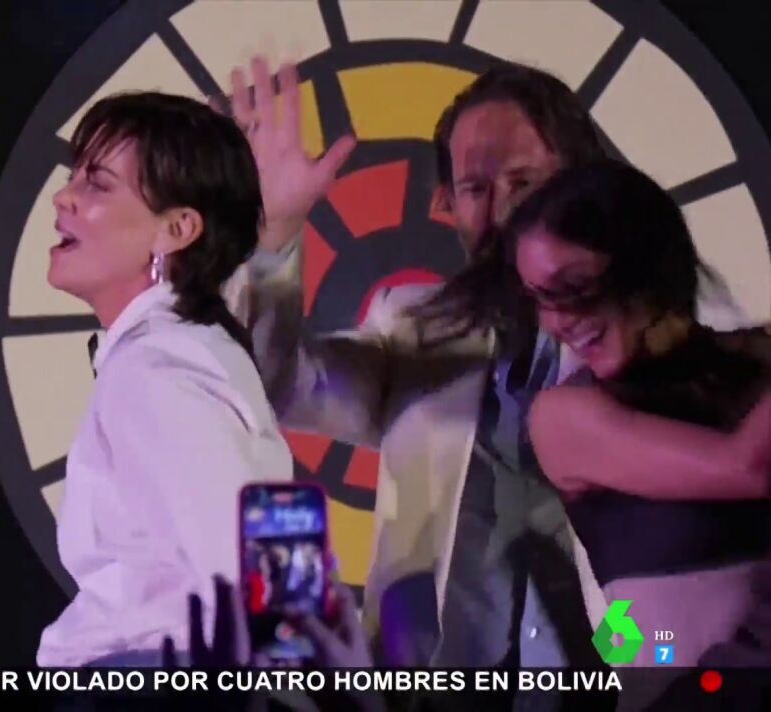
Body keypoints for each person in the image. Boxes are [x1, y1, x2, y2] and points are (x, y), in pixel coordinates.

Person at [222, 53, 749, 677]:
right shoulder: (415, 330)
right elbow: (273, 382)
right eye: (476, 188)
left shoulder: (676, 329)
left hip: (636, 678)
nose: (503, 211)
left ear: (582, 180)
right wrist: (274, 238)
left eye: (524, 181)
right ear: (447, 202)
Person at [35, 91, 294, 668]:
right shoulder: (180, 351)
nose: (63, 197)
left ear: (177, 228)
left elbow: (243, 579)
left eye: (97, 184)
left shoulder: (156, 368)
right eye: (74, 176)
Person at [493, 162, 771, 699]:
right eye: (539, 298)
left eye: (572, 288)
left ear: (644, 260)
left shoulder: (753, 362)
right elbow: (747, 466)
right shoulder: (566, 416)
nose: (556, 320)